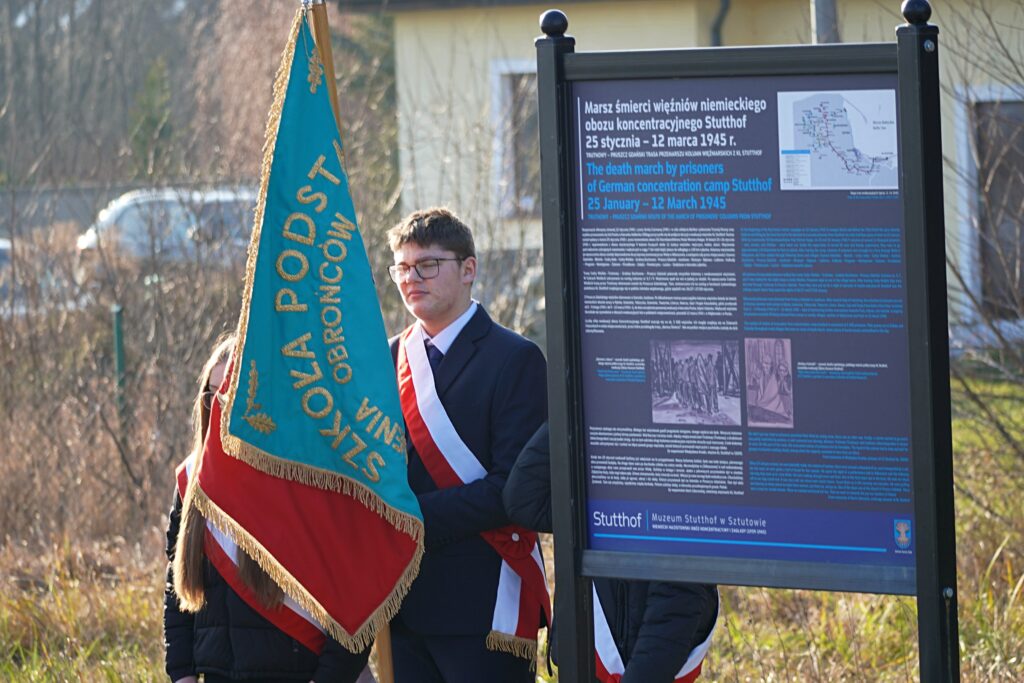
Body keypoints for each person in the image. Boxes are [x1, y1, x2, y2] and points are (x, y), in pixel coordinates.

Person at [386, 207, 548, 683]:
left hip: (480, 601)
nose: (412, 278)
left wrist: (409, 518)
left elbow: (513, 489)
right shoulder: (387, 357)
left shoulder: (515, 358)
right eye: (402, 268)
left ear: (468, 269)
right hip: (400, 598)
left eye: (428, 265)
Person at [163, 335, 373, 683]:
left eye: (230, 393)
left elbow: (355, 596)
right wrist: (182, 673)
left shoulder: (309, 477)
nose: (219, 405)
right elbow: (176, 585)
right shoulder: (191, 479)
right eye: (211, 393)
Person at [504, 423, 719, 683]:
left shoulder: (681, 503)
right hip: (582, 664)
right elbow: (523, 500)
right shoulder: (601, 498)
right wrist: (572, 399)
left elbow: (667, 627)